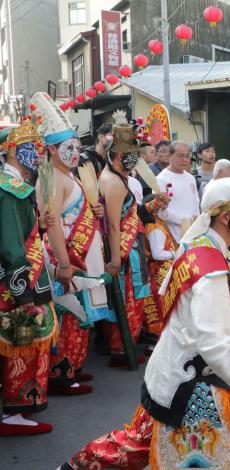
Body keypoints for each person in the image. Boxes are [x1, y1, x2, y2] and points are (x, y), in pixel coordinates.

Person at [59, 177, 230, 470]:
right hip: (192, 381)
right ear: (227, 216)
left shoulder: (203, 246)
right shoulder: (209, 267)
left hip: (172, 367)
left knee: (136, 442)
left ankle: (76, 465)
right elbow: (215, 344)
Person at [32, 92, 108, 396]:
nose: (75, 153)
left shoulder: (70, 175)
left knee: (80, 315)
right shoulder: (50, 178)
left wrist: (96, 211)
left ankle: (74, 367)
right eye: (68, 147)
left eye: (77, 147)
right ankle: (61, 373)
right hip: (66, 258)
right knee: (69, 314)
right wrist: (64, 263)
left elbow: (78, 212)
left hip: (81, 256)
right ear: (52, 149)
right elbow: (52, 227)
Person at [0, 116, 55, 436]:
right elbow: (10, 244)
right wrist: (23, 294)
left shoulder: (19, 187)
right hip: (17, 283)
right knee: (21, 344)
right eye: (28, 147)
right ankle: (14, 411)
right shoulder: (8, 190)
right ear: (9, 151)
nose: (36, 153)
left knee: (28, 343)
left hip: (25, 277)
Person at [99, 111, 166, 368]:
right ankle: (120, 349)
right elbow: (114, 227)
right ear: (117, 156)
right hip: (124, 252)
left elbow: (133, 213)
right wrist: (116, 259)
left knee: (134, 300)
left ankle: (124, 346)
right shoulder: (114, 182)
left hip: (132, 245)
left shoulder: (121, 177)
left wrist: (152, 207)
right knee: (126, 301)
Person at [141, 194, 177, 350]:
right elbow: (157, 254)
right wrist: (175, 253)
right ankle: (154, 341)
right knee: (160, 305)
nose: (166, 211)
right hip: (158, 271)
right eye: (163, 208)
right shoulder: (154, 228)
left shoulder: (160, 225)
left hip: (162, 269)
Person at [156, 141, 200, 242]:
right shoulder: (161, 179)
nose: (184, 160)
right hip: (173, 236)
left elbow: (196, 203)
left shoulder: (191, 178)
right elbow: (160, 211)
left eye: (187, 156)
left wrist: (197, 222)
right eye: (180, 156)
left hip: (193, 234)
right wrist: (186, 220)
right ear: (170, 156)